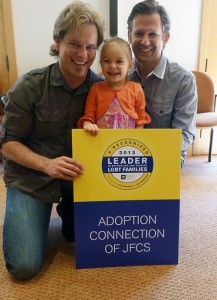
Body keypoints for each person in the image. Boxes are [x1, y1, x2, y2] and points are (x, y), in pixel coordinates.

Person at [0, 1, 105, 280]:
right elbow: (7, 143)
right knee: (23, 266)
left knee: (98, 245)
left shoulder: (102, 89)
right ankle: (39, 213)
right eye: (75, 43)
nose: (83, 54)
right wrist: (46, 164)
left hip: (79, 182)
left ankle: (68, 216)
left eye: (91, 47)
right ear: (57, 42)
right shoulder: (29, 86)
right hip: (31, 178)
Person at [127, 0, 197, 167]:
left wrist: (146, 158)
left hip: (165, 158)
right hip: (123, 158)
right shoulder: (115, 76)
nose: (145, 41)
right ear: (129, 36)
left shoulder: (183, 80)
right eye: (139, 33)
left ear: (165, 38)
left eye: (152, 34)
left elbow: (184, 134)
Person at [78, 37, 151, 135]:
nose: (112, 66)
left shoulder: (136, 89)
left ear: (129, 65)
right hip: (102, 145)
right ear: (101, 64)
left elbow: (141, 120)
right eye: (107, 61)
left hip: (128, 145)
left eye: (119, 61)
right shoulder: (96, 89)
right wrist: (88, 124)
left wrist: (135, 137)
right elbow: (89, 116)